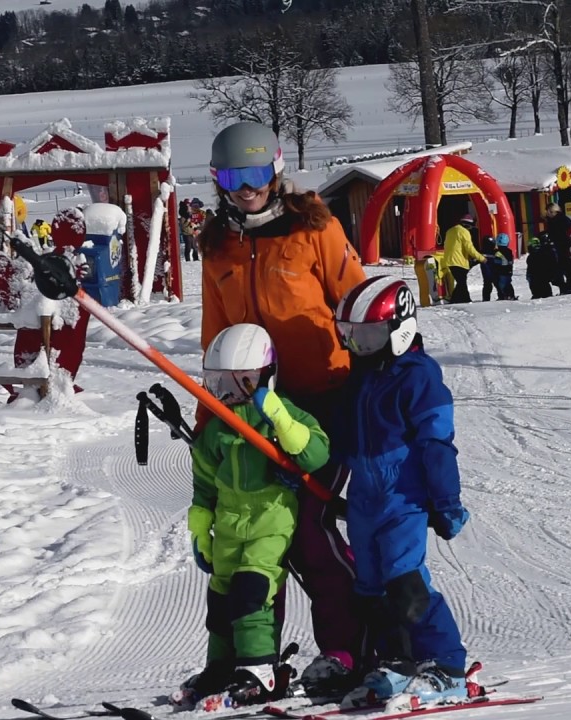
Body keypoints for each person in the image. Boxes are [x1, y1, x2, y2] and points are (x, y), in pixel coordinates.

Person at [199, 121, 368, 693]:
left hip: (324, 398)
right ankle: (252, 663)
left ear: (274, 169)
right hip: (252, 408)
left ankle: (347, 650)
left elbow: (356, 302)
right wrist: (210, 416)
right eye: (230, 176)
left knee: (314, 534)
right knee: (254, 538)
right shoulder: (217, 243)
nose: (244, 188)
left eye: (253, 174)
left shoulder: (314, 227)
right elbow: (215, 332)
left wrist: (377, 380)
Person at [330, 276, 472, 710]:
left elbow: (436, 444)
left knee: (405, 579)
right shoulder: (361, 376)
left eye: (369, 337)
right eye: (350, 337)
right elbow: (340, 438)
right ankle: (397, 661)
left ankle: (448, 666)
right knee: (370, 587)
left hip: (403, 497)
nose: (359, 347)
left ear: (399, 328)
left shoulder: (419, 377)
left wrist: (445, 502)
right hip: (364, 498)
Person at [182, 323, 332, 705]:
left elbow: (315, 453)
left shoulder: (279, 415)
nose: (230, 395)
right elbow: (203, 486)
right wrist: (201, 530)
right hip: (230, 524)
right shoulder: (216, 430)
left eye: (242, 383)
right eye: (219, 384)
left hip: (271, 520)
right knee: (220, 597)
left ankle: (257, 668)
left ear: (266, 376)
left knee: (252, 591)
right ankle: (220, 665)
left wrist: (280, 418)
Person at [442, 214, 487, 304]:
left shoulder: (450, 231)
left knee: (461, 282)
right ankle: (462, 300)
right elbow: (469, 248)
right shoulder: (464, 232)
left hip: (449, 260)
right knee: (461, 282)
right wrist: (481, 258)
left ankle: (459, 299)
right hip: (459, 261)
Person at [544, 203, 571, 293]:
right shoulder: (551, 221)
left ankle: (569, 287)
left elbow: (567, 233)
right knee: (558, 270)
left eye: (548, 211)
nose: (547, 213)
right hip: (556, 248)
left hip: (563, 247)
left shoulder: (562, 220)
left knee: (565, 268)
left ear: (552, 211)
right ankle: (564, 287)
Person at [525, 234, 559, 299]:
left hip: (537, 277)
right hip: (544, 277)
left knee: (536, 283)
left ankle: (538, 294)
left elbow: (531, 268)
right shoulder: (544, 253)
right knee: (544, 284)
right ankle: (545, 294)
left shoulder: (532, 257)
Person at [491, 233, 516, 300]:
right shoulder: (509, 252)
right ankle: (510, 295)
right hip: (508, 271)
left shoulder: (496, 252)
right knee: (507, 284)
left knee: (501, 285)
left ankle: (505, 296)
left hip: (500, 272)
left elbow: (495, 261)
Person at [478, 235, 497, 301]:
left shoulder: (481, 252)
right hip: (494, 272)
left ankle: (486, 299)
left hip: (487, 273)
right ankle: (502, 296)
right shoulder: (495, 252)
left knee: (488, 285)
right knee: (496, 284)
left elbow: (475, 259)